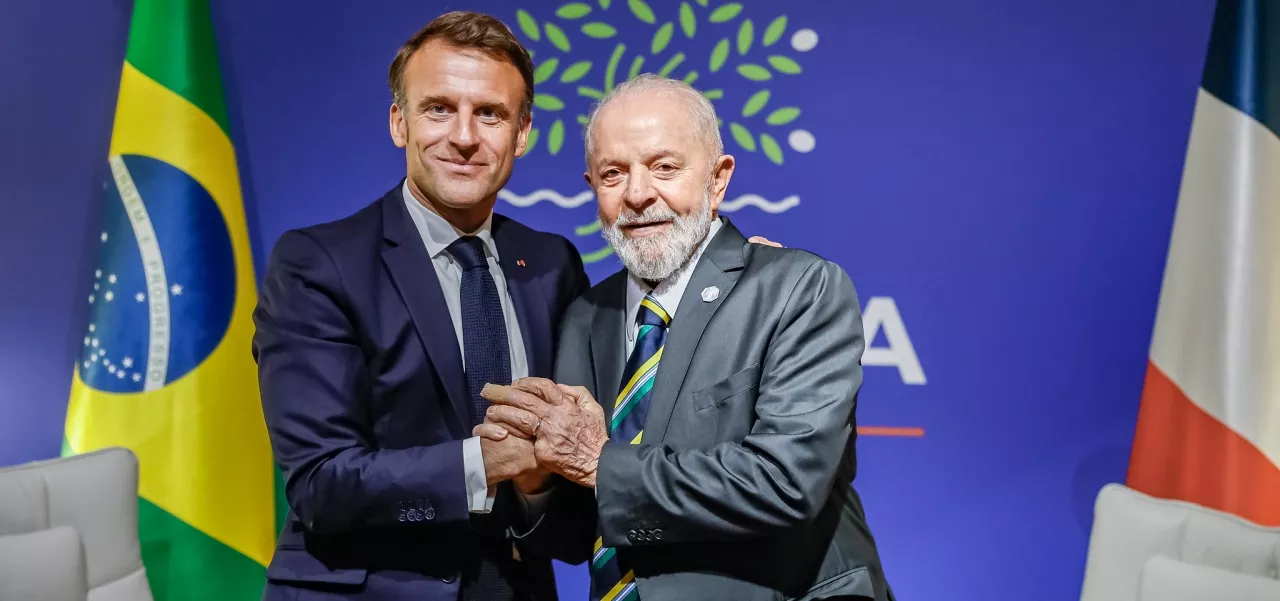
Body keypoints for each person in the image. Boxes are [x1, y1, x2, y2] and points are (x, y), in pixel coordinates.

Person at [478, 74, 895, 601]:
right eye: (613, 173)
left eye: (664, 167)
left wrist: (596, 462)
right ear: (592, 188)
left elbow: (785, 484)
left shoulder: (798, 289)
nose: (636, 193)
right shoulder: (587, 314)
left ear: (718, 179)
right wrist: (536, 481)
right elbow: (584, 529)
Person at [252, 11, 591, 600]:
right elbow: (320, 485)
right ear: (398, 123)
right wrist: (485, 462)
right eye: (439, 108)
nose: (464, 135)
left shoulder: (552, 264)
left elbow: (570, 511)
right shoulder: (317, 264)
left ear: (522, 132)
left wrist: (537, 482)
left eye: (490, 113)